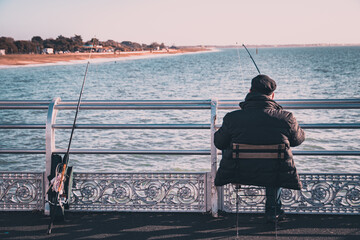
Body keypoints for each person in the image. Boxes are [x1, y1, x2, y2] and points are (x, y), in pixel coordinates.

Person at [214, 74, 305, 222]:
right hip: (274, 172)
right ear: (272, 95)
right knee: (275, 165)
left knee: (268, 163)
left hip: (238, 171)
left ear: (250, 92)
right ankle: (273, 210)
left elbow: (219, 143)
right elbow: (298, 140)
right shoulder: (286, 117)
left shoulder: (232, 118)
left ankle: (229, 204)